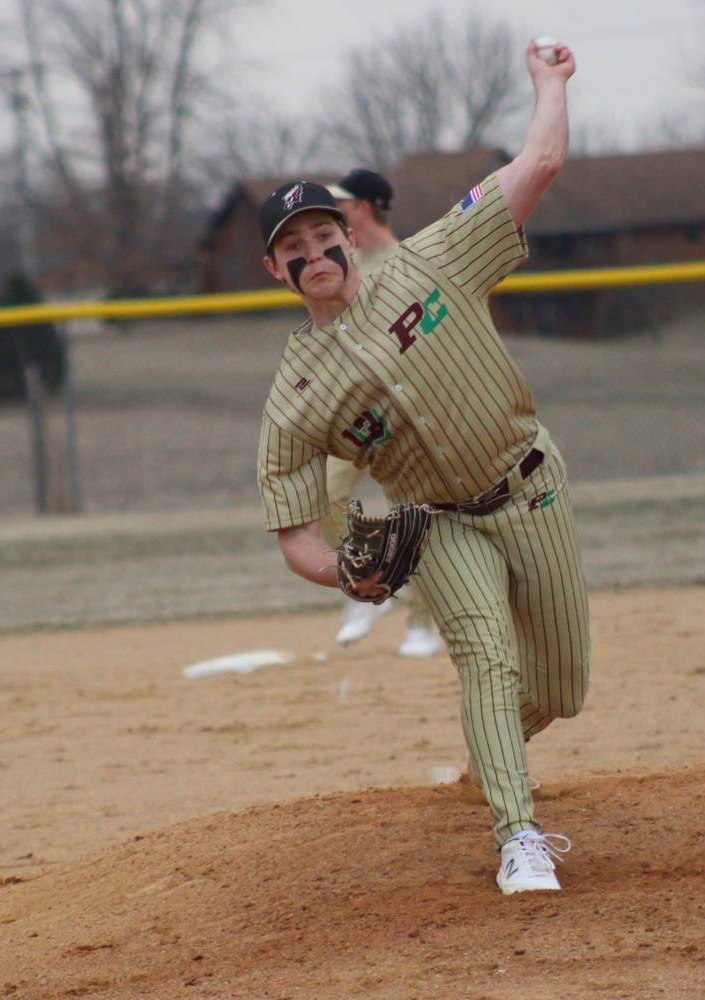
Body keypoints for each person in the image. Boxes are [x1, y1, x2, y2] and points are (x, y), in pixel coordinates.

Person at [256, 38, 589, 895]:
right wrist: (346, 577)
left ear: (348, 233)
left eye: (323, 231)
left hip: (532, 484)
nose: (314, 251)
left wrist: (547, 83)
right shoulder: (296, 394)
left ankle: (496, 751)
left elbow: (541, 160)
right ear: (275, 267)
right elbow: (294, 531)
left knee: (558, 688)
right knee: (486, 657)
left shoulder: (435, 256)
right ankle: (517, 835)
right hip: (439, 524)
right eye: (294, 244)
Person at [322, 169, 440, 658]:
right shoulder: (342, 269)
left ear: (363, 209)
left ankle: (422, 623)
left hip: (412, 410)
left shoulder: (412, 262)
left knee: (417, 513)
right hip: (359, 412)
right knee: (322, 494)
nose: (331, 218)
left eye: (340, 207)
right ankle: (371, 586)